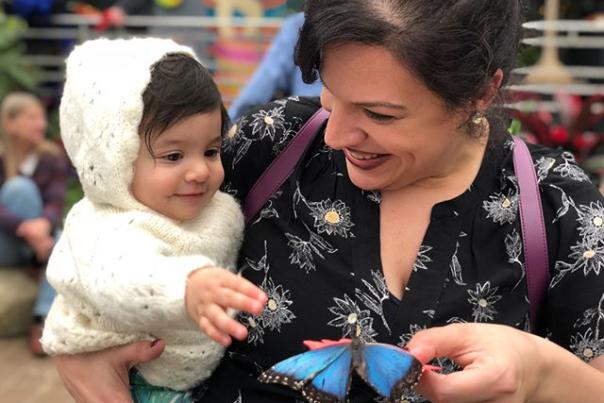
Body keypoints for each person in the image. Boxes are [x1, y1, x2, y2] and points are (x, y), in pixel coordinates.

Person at [54, 1, 604, 402]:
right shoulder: (272, 145)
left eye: (380, 115)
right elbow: (114, 238)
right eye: (330, 96)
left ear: (480, 93)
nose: (337, 136)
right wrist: (86, 360)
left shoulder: (557, 207)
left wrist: (541, 372)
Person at [40, 37, 266, 402]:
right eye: (173, 156)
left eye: (211, 150)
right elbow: (122, 277)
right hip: (144, 383)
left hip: (201, 377)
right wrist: (188, 286)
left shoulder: (216, 208)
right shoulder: (107, 226)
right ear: (114, 160)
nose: (199, 171)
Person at [0, 92, 67, 355]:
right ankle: (38, 263)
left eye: (41, 117)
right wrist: (24, 227)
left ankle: (41, 319)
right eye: (31, 118)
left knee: (63, 237)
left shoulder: (52, 158)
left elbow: (55, 201)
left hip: (34, 243)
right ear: (10, 123)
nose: (40, 124)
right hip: (5, 245)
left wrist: (42, 225)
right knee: (20, 189)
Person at [227, 11, 323, 121]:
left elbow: (257, 92)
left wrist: (232, 127)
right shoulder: (300, 24)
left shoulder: (300, 23)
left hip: (306, 123)